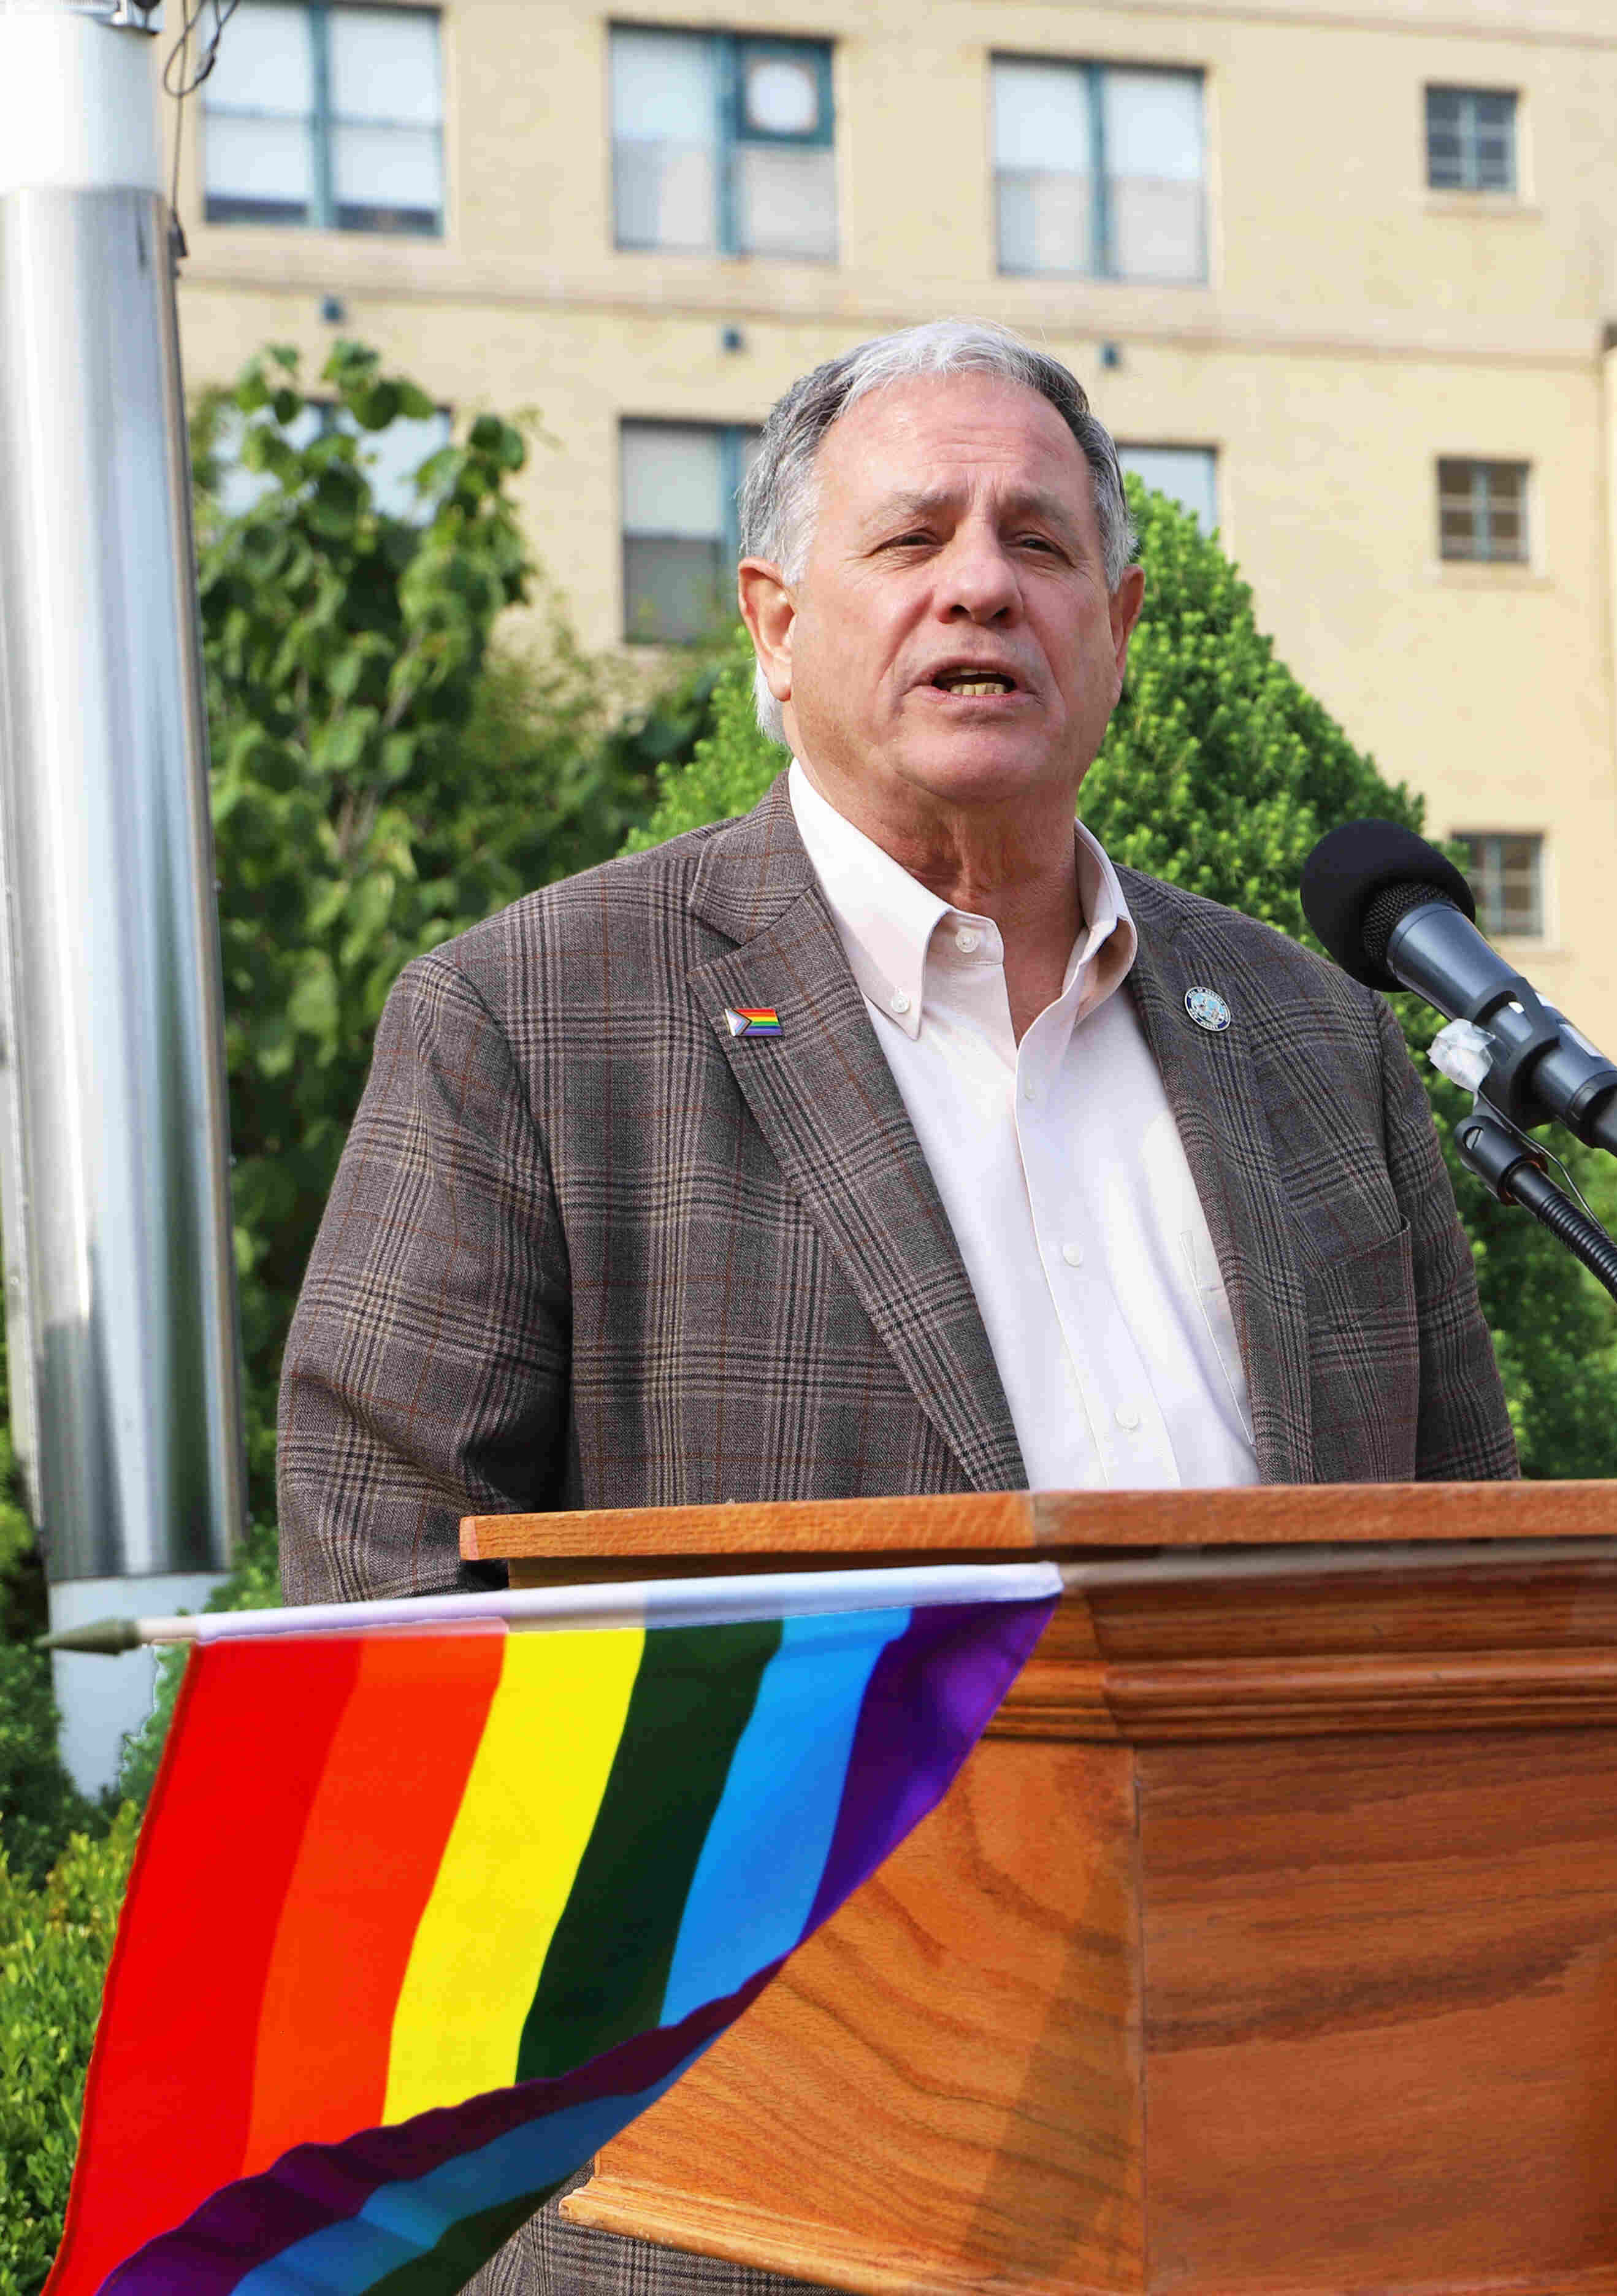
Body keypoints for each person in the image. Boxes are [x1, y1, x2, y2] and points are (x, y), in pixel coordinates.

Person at [277, 319, 1518, 2293]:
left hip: (1287, 2139)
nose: (978, 583)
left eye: (1035, 542)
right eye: (911, 534)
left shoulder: (1308, 1035)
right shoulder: (533, 1019)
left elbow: (1472, 1583)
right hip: (761, 2180)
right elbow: (383, 1619)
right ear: (773, 624)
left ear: (1112, 625)